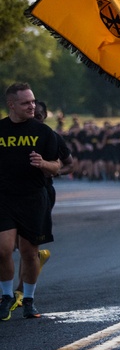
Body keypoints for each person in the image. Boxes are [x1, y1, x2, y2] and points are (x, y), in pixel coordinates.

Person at [0, 83, 66, 320]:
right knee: (3, 249)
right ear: (12, 105)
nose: (32, 106)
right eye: (26, 102)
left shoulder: (44, 132)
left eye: (33, 101)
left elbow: (58, 165)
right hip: (4, 198)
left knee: (29, 253)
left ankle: (28, 299)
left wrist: (43, 164)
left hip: (33, 199)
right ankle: (6, 296)